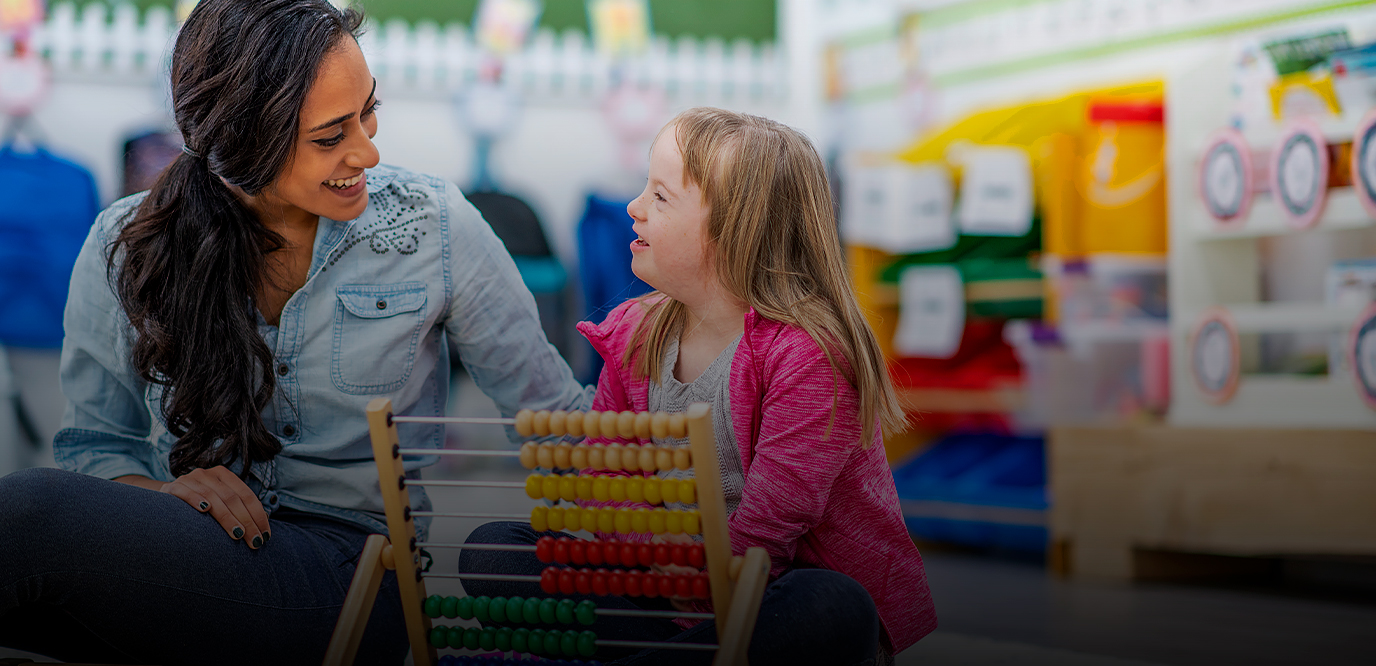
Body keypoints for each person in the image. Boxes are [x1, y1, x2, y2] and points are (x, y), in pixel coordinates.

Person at [0, 1, 588, 664]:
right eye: (330, 136)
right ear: (242, 144)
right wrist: (160, 495)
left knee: (29, 517)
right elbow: (97, 446)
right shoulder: (125, 244)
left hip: (356, 579)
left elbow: (554, 419)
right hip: (191, 559)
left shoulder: (435, 227)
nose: (367, 149)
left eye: (369, 110)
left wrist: (703, 428)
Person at [459, 108, 938, 665]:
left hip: (769, 596)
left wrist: (669, 572)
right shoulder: (635, 333)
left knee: (833, 603)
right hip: (662, 595)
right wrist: (655, 553)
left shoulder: (808, 357)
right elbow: (601, 483)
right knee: (492, 552)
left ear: (735, 232)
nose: (634, 208)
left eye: (660, 198)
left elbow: (765, 537)